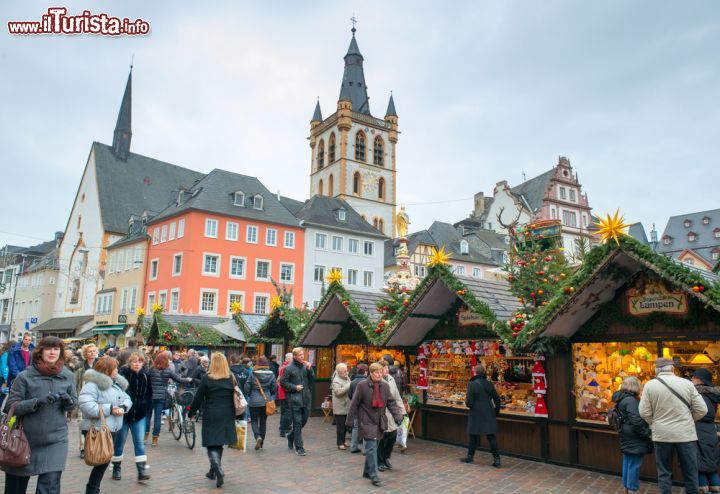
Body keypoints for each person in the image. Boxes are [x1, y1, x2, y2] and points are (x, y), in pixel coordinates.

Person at [1, 336, 78, 494]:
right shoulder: (25, 376)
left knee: (50, 487)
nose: (52, 352)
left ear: (61, 352)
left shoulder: (68, 375)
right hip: (23, 439)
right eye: (48, 348)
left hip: (56, 440)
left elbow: (73, 404)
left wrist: (67, 400)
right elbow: (10, 406)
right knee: (15, 489)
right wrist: (36, 402)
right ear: (40, 351)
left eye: (56, 349)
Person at [639, 357, 707, 494]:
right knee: (690, 472)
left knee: (664, 473)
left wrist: (655, 423)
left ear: (656, 370)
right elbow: (702, 410)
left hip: (662, 435)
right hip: (685, 435)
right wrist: (688, 420)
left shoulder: (650, 385)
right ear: (673, 369)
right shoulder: (687, 384)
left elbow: (644, 412)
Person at [345, 362, 405, 487]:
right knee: (371, 447)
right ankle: (374, 474)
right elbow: (354, 404)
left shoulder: (385, 386)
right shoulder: (362, 385)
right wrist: (349, 422)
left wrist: (398, 417)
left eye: (380, 372)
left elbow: (391, 403)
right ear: (370, 373)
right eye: (376, 372)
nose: (379, 375)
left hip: (379, 421)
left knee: (374, 446)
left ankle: (367, 471)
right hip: (366, 420)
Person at [79, 356, 132, 493]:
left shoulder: (116, 383)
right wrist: (110, 409)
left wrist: (124, 407)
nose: (117, 370)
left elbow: (126, 398)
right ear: (107, 370)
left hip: (112, 427)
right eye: (115, 368)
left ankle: (93, 488)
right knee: (102, 460)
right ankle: (92, 489)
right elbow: (86, 405)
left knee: (105, 460)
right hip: (98, 428)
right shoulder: (92, 385)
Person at [188, 353, 237, 488]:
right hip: (227, 413)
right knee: (219, 442)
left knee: (211, 442)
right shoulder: (231, 377)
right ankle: (213, 471)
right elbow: (238, 394)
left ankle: (217, 467)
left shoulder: (207, 378)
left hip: (211, 413)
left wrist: (191, 413)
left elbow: (198, 398)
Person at [113, 352, 153, 482]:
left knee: (140, 443)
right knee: (119, 443)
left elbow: (149, 394)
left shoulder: (145, 376)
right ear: (129, 363)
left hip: (139, 415)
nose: (137, 364)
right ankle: (116, 469)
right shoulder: (122, 375)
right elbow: (115, 393)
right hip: (123, 415)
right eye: (134, 361)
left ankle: (141, 471)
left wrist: (146, 409)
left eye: (140, 362)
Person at [611, 376, 653, 494]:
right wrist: (647, 433)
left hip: (626, 432)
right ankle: (633, 488)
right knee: (634, 463)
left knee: (628, 460)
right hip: (634, 435)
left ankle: (626, 486)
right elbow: (636, 420)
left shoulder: (621, 398)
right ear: (635, 386)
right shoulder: (631, 400)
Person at [460, 364, 502, 467]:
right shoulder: (489, 384)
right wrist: (496, 412)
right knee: (491, 436)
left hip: (476, 413)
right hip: (488, 412)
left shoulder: (472, 384)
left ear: (475, 372)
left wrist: (468, 403)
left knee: (473, 436)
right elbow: (497, 399)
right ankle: (497, 459)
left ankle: (470, 457)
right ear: (483, 372)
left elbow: (469, 402)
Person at [146, 352, 192, 446]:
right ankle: (155, 440)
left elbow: (145, 380)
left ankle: (144, 437)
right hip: (161, 396)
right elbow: (179, 379)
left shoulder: (151, 369)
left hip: (150, 396)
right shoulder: (168, 370)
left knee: (147, 417)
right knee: (158, 418)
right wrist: (188, 379)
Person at [280, 347, 315, 456]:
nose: (302, 356)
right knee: (297, 422)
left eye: (302, 354)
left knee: (303, 421)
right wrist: (294, 387)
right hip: (294, 400)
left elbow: (312, 378)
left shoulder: (306, 366)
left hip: (305, 398)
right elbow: (283, 382)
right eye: (300, 355)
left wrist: (310, 369)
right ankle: (299, 447)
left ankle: (291, 436)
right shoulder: (289, 368)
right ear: (294, 356)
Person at [690, 368, 720, 494]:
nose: (691, 379)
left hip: (699, 431)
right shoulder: (711, 395)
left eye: (694, 377)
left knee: (699, 466)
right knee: (710, 466)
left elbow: (701, 413)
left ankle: (703, 490)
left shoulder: (699, 395)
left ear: (700, 380)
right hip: (709, 432)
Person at [244, 355, 277, 450]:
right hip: (266, 401)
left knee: (254, 421)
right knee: (263, 422)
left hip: (254, 401)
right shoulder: (271, 374)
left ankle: (257, 436)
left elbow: (247, 387)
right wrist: (270, 394)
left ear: (258, 363)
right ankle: (261, 443)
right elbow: (274, 388)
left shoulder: (253, 374)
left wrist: (249, 394)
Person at [378, 359, 404, 470]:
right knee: (382, 438)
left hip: (392, 413)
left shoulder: (391, 379)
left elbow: (396, 396)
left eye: (387, 368)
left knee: (392, 437)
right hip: (381, 414)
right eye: (384, 368)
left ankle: (386, 457)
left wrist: (401, 411)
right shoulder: (377, 381)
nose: (387, 370)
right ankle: (379, 461)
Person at [349, 363, 369, 453]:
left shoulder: (352, 382)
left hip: (356, 407)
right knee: (365, 427)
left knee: (356, 427)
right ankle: (365, 449)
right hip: (366, 408)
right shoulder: (368, 382)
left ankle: (353, 446)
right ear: (365, 372)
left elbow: (349, 395)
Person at [331, 363, 351, 450]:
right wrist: (349, 385)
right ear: (339, 372)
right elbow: (338, 392)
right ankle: (340, 443)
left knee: (346, 425)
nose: (347, 372)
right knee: (340, 426)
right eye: (344, 371)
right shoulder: (336, 380)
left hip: (347, 406)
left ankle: (343, 441)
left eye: (347, 370)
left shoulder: (346, 378)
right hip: (340, 407)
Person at [277, 352, 293, 437]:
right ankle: (284, 429)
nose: (293, 360)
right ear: (288, 359)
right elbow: (283, 382)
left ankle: (283, 428)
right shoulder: (285, 368)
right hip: (284, 392)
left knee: (285, 411)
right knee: (287, 412)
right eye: (292, 358)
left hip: (283, 392)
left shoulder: (284, 367)